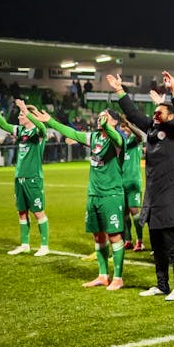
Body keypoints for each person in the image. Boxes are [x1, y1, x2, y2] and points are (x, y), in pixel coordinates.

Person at [112, 72, 174, 301]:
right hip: (154, 196)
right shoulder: (153, 130)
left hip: (172, 198)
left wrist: (173, 91)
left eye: (159, 112)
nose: (155, 115)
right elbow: (134, 114)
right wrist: (120, 91)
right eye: (154, 112)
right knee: (157, 244)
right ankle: (162, 285)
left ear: (170, 116)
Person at [34, 107, 126, 290]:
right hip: (94, 194)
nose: (100, 118)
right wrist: (50, 121)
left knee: (114, 235)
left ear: (115, 121)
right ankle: (103, 275)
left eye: (105, 116)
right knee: (98, 235)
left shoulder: (118, 139)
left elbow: (115, 136)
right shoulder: (94, 137)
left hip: (111, 195)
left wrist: (107, 126)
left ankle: (118, 278)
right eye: (100, 116)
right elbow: (73, 133)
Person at [0, 97, 50, 256]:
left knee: (38, 212)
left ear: (29, 116)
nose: (19, 116)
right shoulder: (21, 131)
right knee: (21, 211)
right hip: (19, 178)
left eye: (21, 114)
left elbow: (41, 126)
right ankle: (25, 245)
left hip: (33, 178)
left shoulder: (38, 132)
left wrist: (26, 109)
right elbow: (5, 125)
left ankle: (44, 246)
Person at [119, 116, 146, 252]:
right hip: (121, 182)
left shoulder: (135, 141)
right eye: (122, 127)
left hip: (133, 181)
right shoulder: (120, 142)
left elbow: (140, 136)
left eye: (126, 127)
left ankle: (140, 241)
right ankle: (128, 240)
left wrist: (129, 125)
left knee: (134, 211)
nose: (124, 129)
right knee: (124, 213)